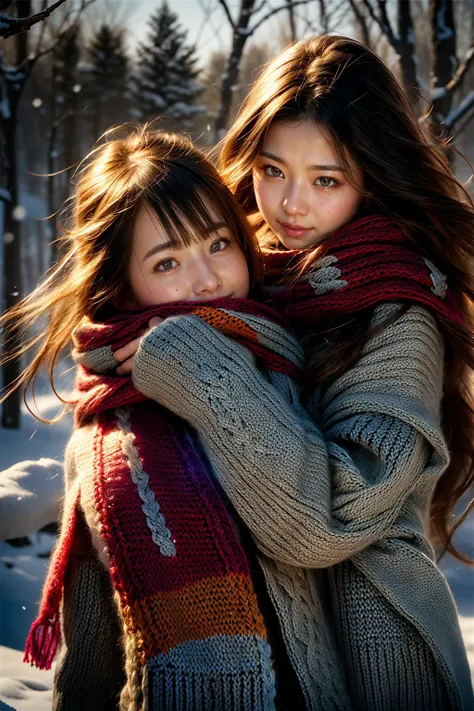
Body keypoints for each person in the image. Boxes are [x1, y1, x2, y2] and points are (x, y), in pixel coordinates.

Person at [111, 36, 474, 709]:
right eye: (272, 169)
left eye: (325, 179)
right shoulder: (251, 281)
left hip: (378, 664)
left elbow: (325, 522)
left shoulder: (398, 313)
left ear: (372, 178)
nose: (289, 205)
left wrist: (203, 370)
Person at [5, 126, 307, 709]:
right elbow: (91, 642)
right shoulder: (114, 439)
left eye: (218, 243)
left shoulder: (291, 356)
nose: (208, 278)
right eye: (167, 262)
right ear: (121, 288)